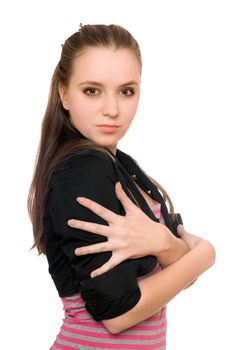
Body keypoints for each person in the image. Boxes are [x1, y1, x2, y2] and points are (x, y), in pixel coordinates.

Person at [28, 24, 215, 350]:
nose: (112, 109)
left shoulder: (124, 168)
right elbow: (118, 314)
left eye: (126, 91)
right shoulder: (84, 168)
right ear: (63, 93)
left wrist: (164, 244)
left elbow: (179, 269)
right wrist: (206, 254)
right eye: (92, 90)